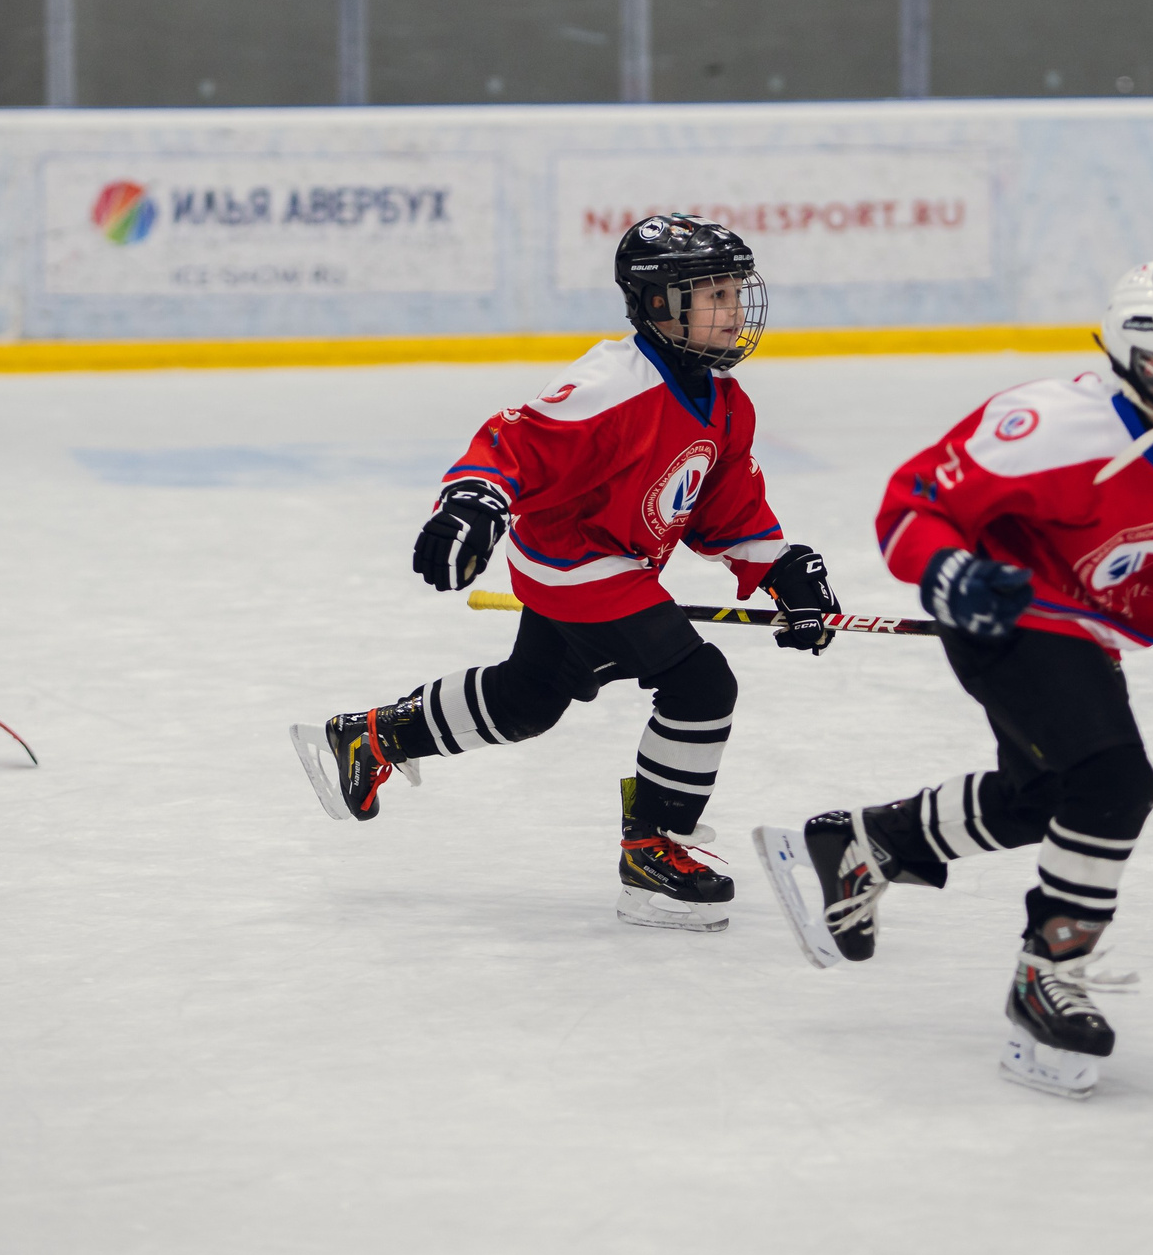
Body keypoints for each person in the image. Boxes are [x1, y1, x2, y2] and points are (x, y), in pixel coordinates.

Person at [753, 261, 1153, 1098]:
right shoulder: (1056, 425)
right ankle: (1047, 974)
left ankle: (864, 842)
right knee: (1113, 781)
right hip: (1005, 617)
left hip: (1084, 639)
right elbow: (913, 502)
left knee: (1042, 799)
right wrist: (951, 572)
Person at [291, 214, 839, 931]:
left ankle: (371, 736)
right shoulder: (614, 382)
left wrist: (781, 569)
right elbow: (515, 442)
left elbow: (723, 509)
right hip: (577, 562)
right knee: (701, 684)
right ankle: (652, 851)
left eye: (737, 291)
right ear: (656, 305)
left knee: (529, 699)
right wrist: (473, 501)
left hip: (607, 563)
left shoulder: (727, 404)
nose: (735, 310)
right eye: (714, 294)